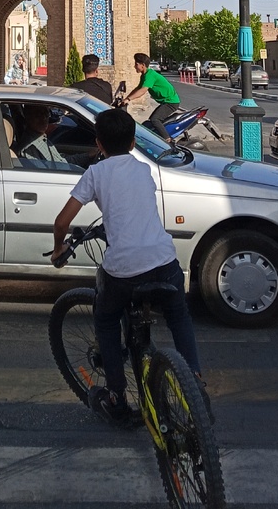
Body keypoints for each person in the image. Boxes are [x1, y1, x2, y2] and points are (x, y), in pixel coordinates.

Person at [51, 108, 203, 425]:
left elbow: (62, 221)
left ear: (98, 144)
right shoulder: (144, 171)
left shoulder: (95, 173)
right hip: (164, 262)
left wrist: (58, 249)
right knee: (178, 316)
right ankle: (196, 379)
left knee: (106, 320)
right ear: (134, 143)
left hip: (123, 272)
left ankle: (118, 396)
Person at [123, 52, 181, 138]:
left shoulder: (150, 75)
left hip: (171, 102)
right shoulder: (144, 75)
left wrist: (128, 99)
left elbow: (143, 90)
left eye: (136, 64)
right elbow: (138, 88)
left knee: (155, 119)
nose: (134, 66)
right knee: (150, 122)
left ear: (142, 65)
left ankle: (167, 140)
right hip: (166, 101)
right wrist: (126, 98)